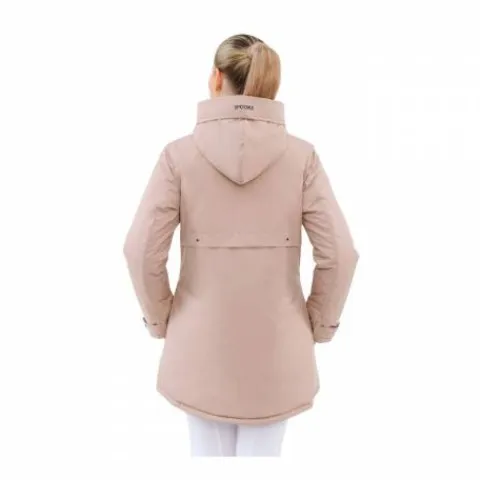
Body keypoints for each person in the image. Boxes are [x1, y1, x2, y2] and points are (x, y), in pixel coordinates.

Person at [123, 33, 359, 457]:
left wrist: (162, 321)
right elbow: (340, 254)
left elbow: (140, 250)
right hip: (278, 352)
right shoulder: (302, 158)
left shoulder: (178, 156)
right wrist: (317, 325)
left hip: (198, 349)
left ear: (216, 78)